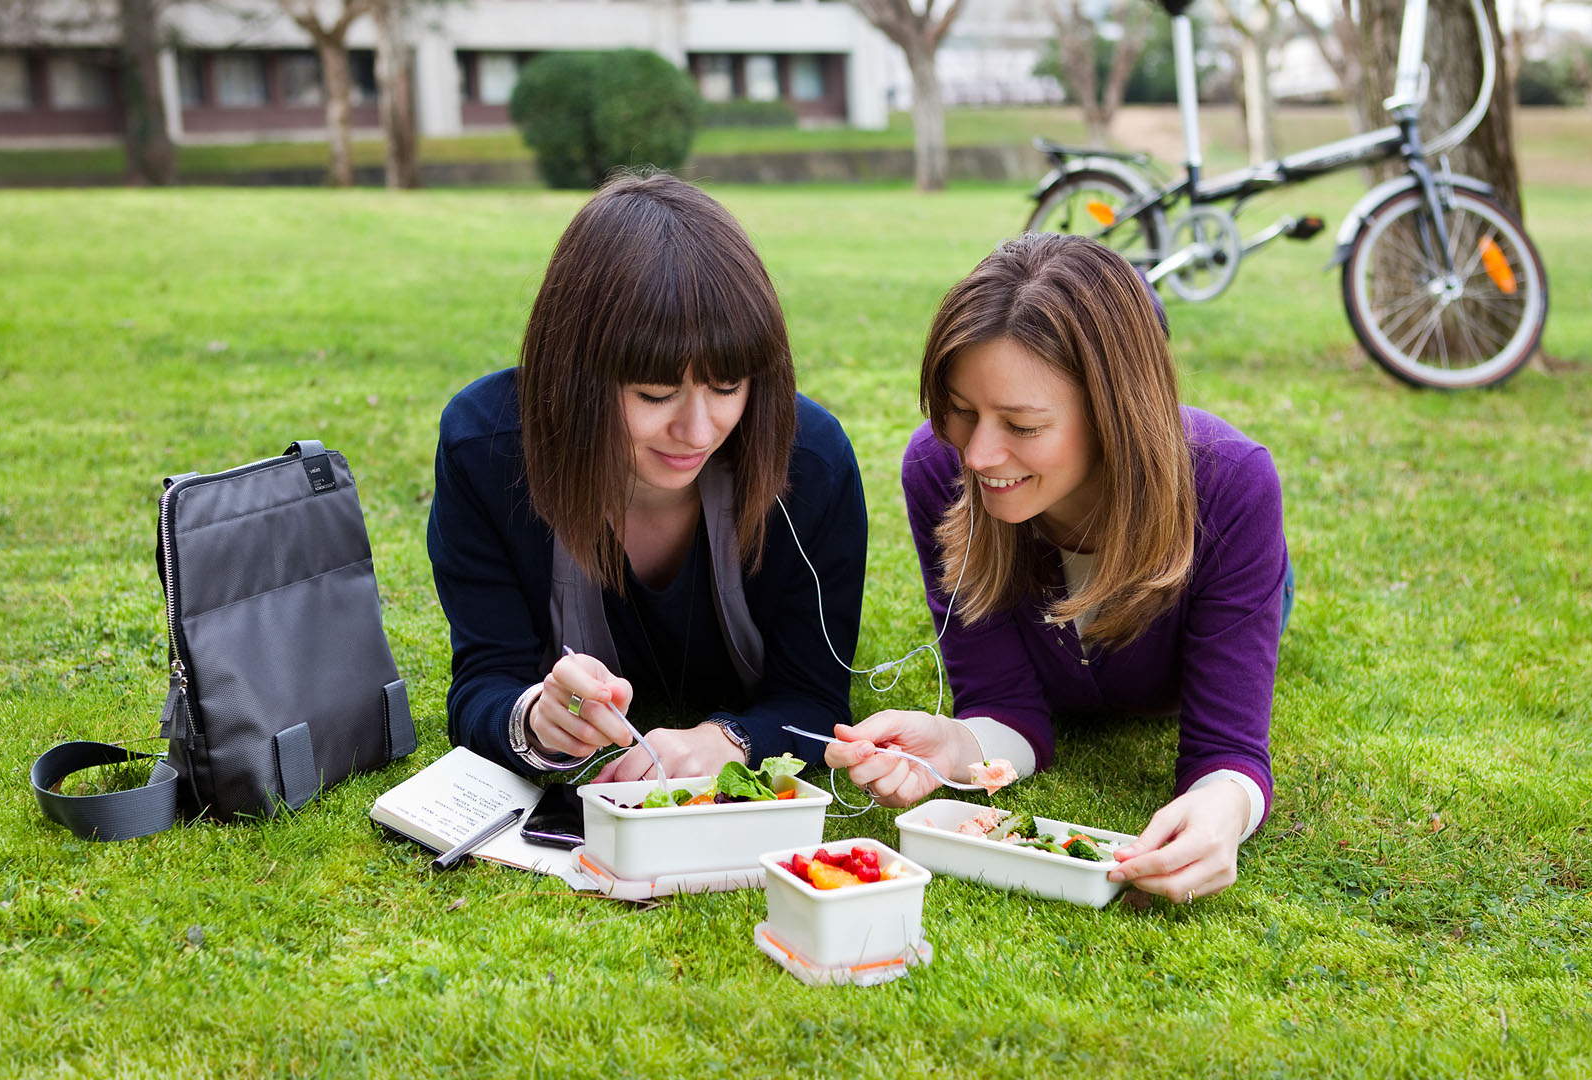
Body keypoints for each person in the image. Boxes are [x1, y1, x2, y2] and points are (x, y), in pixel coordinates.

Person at [827, 234, 1291, 905]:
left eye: (1023, 424)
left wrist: (1224, 809)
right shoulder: (940, 470)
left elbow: (1228, 749)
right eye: (961, 411)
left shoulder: (1233, 486)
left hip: (1243, 568)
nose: (980, 454)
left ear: (1113, 415)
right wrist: (956, 746)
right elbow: (1009, 710)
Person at [428, 172, 868, 784]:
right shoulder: (486, 451)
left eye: (727, 386)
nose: (697, 431)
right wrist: (530, 717)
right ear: (572, 374)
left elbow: (815, 700)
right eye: (655, 394)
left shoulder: (809, 465)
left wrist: (732, 741)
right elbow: (484, 682)